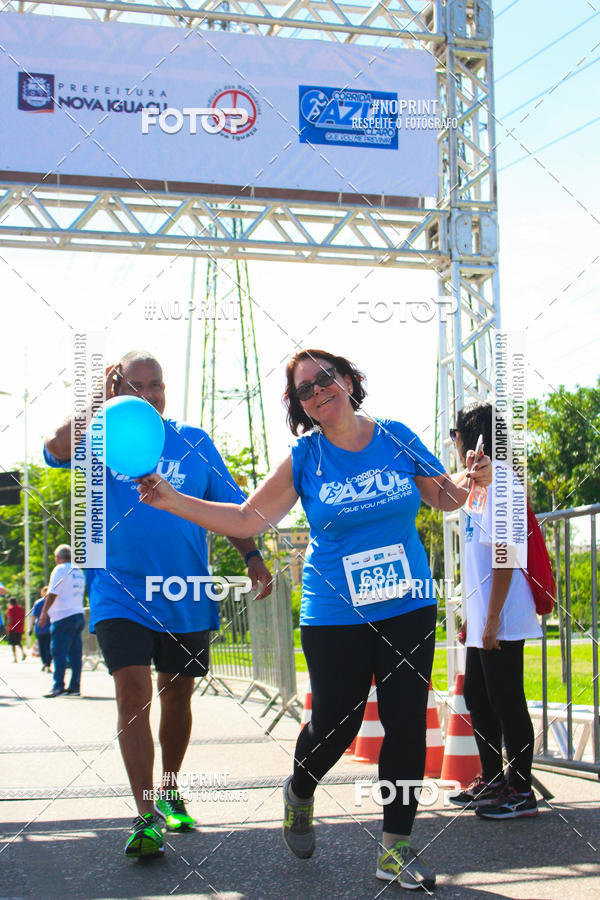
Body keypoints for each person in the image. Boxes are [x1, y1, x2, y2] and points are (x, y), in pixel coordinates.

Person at [137, 348, 492, 890]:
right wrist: (170, 499)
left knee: (404, 724)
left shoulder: (396, 436)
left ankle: (395, 848)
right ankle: (300, 788)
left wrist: (473, 481)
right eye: (305, 389)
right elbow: (245, 516)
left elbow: (443, 496)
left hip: (407, 603)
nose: (319, 390)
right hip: (334, 613)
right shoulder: (306, 458)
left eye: (326, 378)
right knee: (336, 724)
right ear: (301, 406)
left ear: (349, 379)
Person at [44, 350, 271, 860]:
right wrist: (97, 404)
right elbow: (54, 448)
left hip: (184, 591)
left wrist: (253, 555)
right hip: (118, 588)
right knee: (132, 692)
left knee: (177, 697)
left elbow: (231, 505)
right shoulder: (99, 437)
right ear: (118, 388)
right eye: (136, 386)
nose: (148, 395)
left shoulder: (193, 442)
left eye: (157, 385)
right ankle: (145, 814)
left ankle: (170, 789)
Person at [449, 402, 541, 819]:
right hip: (485, 612)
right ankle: (492, 779)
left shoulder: (501, 483)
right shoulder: (479, 484)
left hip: (502, 613)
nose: (454, 442)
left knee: (506, 698)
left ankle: (521, 791)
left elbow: (504, 557)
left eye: (456, 433)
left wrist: (490, 620)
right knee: (477, 694)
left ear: (472, 438)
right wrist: (475, 614)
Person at [39, 546, 85, 697]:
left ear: (58, 557)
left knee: (58, 652)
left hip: (63, 616)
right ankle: (75, 686)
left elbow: (52, 593)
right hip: (78, 613)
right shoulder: (78, 571)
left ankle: (58, 685)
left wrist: (44, 613)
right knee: (75, 653)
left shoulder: (60, 570)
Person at [30, 586, 52, 671]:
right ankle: (48, 664)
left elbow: (34, 616)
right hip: (49, 627)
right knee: (48, 647)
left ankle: (45, 663)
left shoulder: (38, 603)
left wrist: (30, 628)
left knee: (42, 647)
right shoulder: (52, 602)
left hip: (39, 628)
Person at [6, 597, 26, 661]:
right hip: (20, 627)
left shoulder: (10, 608)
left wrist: (7, 627)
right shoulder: (21, 608)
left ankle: (15, 658)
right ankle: (23, 653)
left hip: (13, 628)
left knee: (13, 643)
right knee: (19, 642)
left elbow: (10, 618)